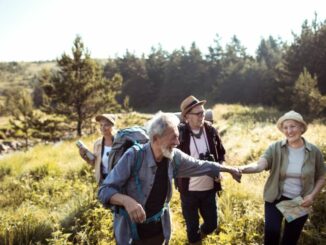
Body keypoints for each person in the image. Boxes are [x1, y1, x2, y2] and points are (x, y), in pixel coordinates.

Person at [98, 112, 241, 245]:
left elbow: (200, 165)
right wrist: (127, 201)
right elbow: (104, 190)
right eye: (173, 137)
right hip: (130, 234)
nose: (178, 142)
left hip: (159, 230)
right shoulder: (134, 156)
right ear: (155, 138)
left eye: (178, 136)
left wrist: (229, 169)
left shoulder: (174, 157)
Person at [238, 110, 325, 245]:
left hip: (300, 202)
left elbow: (322, 176)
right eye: (285, 127)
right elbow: (259, 165)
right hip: (276, 198)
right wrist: (240, 169)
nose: (289, 131)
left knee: (290, 240)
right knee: (272, 233)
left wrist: (312, 195)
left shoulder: (314, 152)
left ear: (301, 128)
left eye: (292, 126)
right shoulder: (275, 148)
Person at [175, 95, 225, 244]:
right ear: (187, 117)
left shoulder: (211, 131)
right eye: (198, 113)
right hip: (188, 191)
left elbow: (221, 153)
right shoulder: (180, 134)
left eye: (203, 112)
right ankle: (194, 240)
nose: (202, 116)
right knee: (191, 228)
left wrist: (219, 170)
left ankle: (199, 237)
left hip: (209, 190)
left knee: (211, 225)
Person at [79, 113, 116, 184]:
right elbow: (95, 164)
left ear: (112, 126)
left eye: (106, 125)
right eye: (101, 125)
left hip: (118, 180)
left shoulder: (120, 142)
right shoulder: (97, 144)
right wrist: (84, 156)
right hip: (103, 180)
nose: (102, 128)